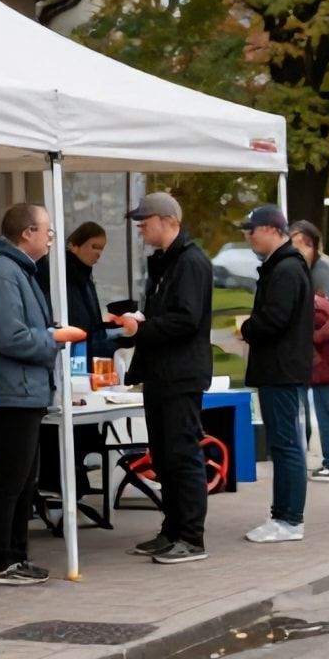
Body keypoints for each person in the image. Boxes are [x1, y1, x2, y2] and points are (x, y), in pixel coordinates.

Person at [0, 203, 66, 586]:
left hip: (24, 390)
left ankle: (16, 555)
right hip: (10, 392)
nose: (50, 239)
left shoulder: (16, 270)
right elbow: (10, 336)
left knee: (25, 479)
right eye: (47, 232)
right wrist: (53, 338)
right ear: (27, 233)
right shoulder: (3, 273)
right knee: (11, 478)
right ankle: (0, 560)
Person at [118, 193, 215, 565]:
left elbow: (186, 319)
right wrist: (141, 321)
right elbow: (170, 313)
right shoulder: (166, 261)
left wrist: (141, 328)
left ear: (167, 219)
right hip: (161, 371)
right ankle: (173, 529)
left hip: (180, 373)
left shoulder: (190, 262)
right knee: (163, 454)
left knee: (182, 454)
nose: (141, 228)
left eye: (145, 221)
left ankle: (191, 536)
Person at [236, 205, 312, 544]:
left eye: (251, 230)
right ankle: (283, 515)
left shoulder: (285, 270)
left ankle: (289, 518)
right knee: (284, 444)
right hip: (280, 367)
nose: (247, 236)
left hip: (281, 368)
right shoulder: (282, 267)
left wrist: (247, 328)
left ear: (270, 229)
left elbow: (275, 319)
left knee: (285, 445)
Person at [291, 221, 329, 483]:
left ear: (311, 243)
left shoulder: (322, 270)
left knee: (323, 409)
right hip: (310, 352)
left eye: (298, 241)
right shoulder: (304, 267)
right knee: (303, 408)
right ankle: (302, 459)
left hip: (319, 353)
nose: (294, 246)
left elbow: (320, 311)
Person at [37, 221, 119, 362]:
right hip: (75, 354)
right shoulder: (66, 276)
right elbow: (82, 324)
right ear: (74, 246)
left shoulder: (84, 276)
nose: (98, 253)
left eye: (101, 249)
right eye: (94, 246)